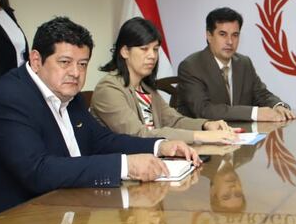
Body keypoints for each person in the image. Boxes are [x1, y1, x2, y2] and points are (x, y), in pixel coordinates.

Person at [0, 17, 200, 224]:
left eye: (82, 64)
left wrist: (160, 146)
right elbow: (38, 171)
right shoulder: (8, 100)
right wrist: (127, 166)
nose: (75, 73)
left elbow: (101, 141)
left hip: (60, 218)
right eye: (65, 62)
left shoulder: (66, 93)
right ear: (36, 60)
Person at [91, 17, 238, 144]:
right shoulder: (108, 89)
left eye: (155, 49)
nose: (152, 56)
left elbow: (174, 121)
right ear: (125, 51)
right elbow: (139, 135)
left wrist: (206, 125)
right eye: (144, 49)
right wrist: (199, 136)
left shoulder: (146, 88)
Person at [176, 7, 296, 122]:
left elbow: (261, 95)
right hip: (201, 134)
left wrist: (277, 106)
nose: (230, 41)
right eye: (223, 34)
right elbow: (203, 110)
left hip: (241, 133)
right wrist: (254, 113)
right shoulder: (191, 66)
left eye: (235, 35)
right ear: (209, 36)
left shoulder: (244, 63)